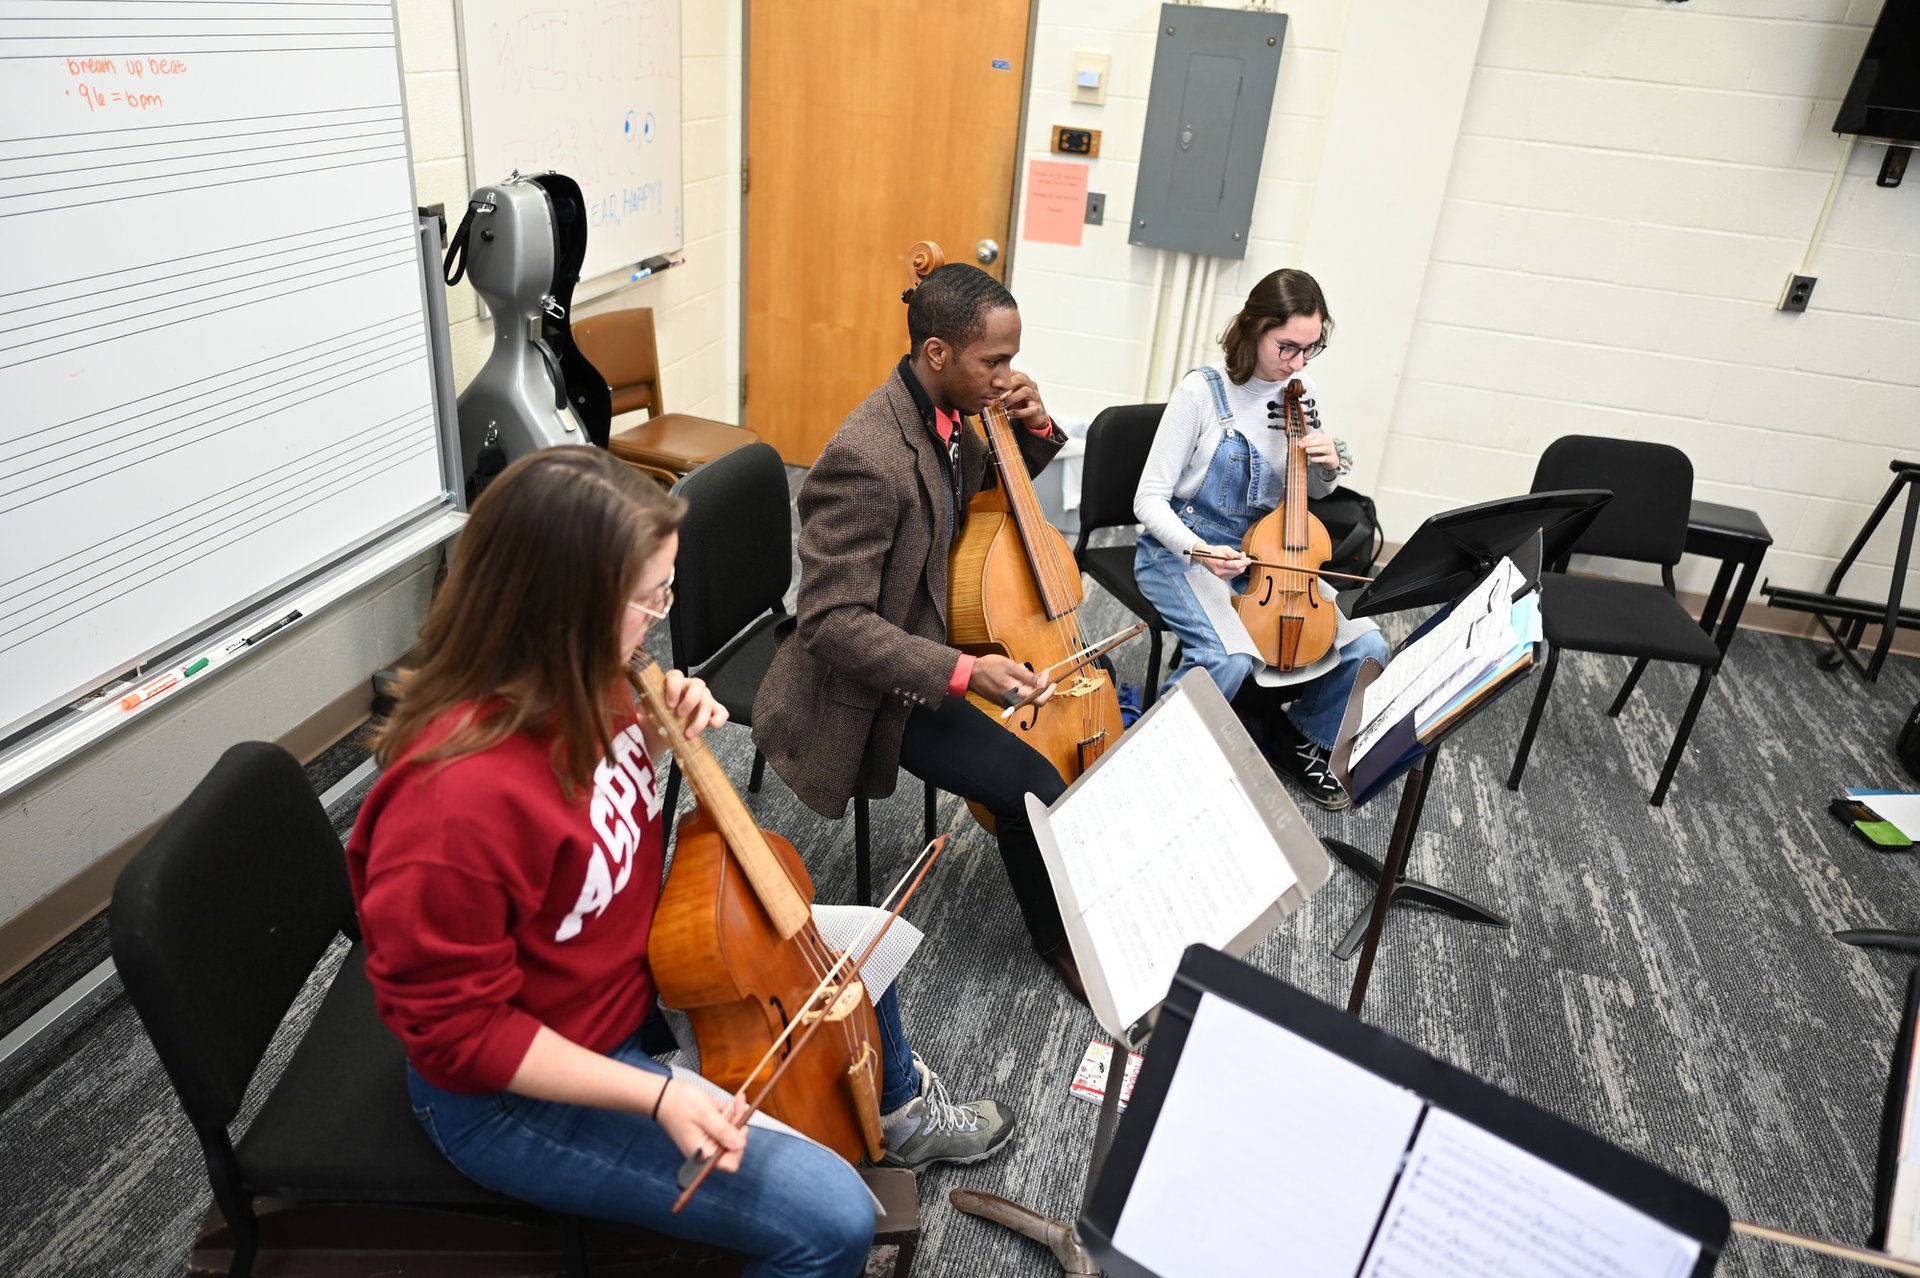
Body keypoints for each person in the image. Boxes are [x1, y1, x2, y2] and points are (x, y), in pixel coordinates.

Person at [346, 447, 1013, 1278]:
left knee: (859, 942)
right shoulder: (451, 806)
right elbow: (460, 1038)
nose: (661, 618)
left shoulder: (598, 678)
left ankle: (893, 1104)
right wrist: (659, 1093)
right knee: (834, 1221)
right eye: (648, 597)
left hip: (624, 985)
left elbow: (593, 844)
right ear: (562, 610)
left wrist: (656, 739)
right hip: (516, 1093)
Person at [752, 263, 1085, 999]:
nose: (1006, 376)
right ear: (938, 354)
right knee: (1031, 784)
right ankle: (1064, 945)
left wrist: (1029, 430)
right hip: (870, 683)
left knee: (1059, 737)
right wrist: (964, 673)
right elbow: (832, 623)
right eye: (993, 362)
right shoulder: (865, 459)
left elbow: (969, 511)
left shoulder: (948, 417)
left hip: (933, 630)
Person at [1132, 268, 1390, 810]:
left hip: (1264, 561)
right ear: (1253, 327)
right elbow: (1148, 500)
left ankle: (1300, 738)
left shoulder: (1302, 392)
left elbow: (1311, 496)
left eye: (1310, 350)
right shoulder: (1201, 392)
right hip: (1183, 554)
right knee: (1229, 659)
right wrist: (1200, 551)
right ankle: (1151, 761)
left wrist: (1326, 467)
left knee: (1368, 645)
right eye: (1288, 347)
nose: (1297, 364)